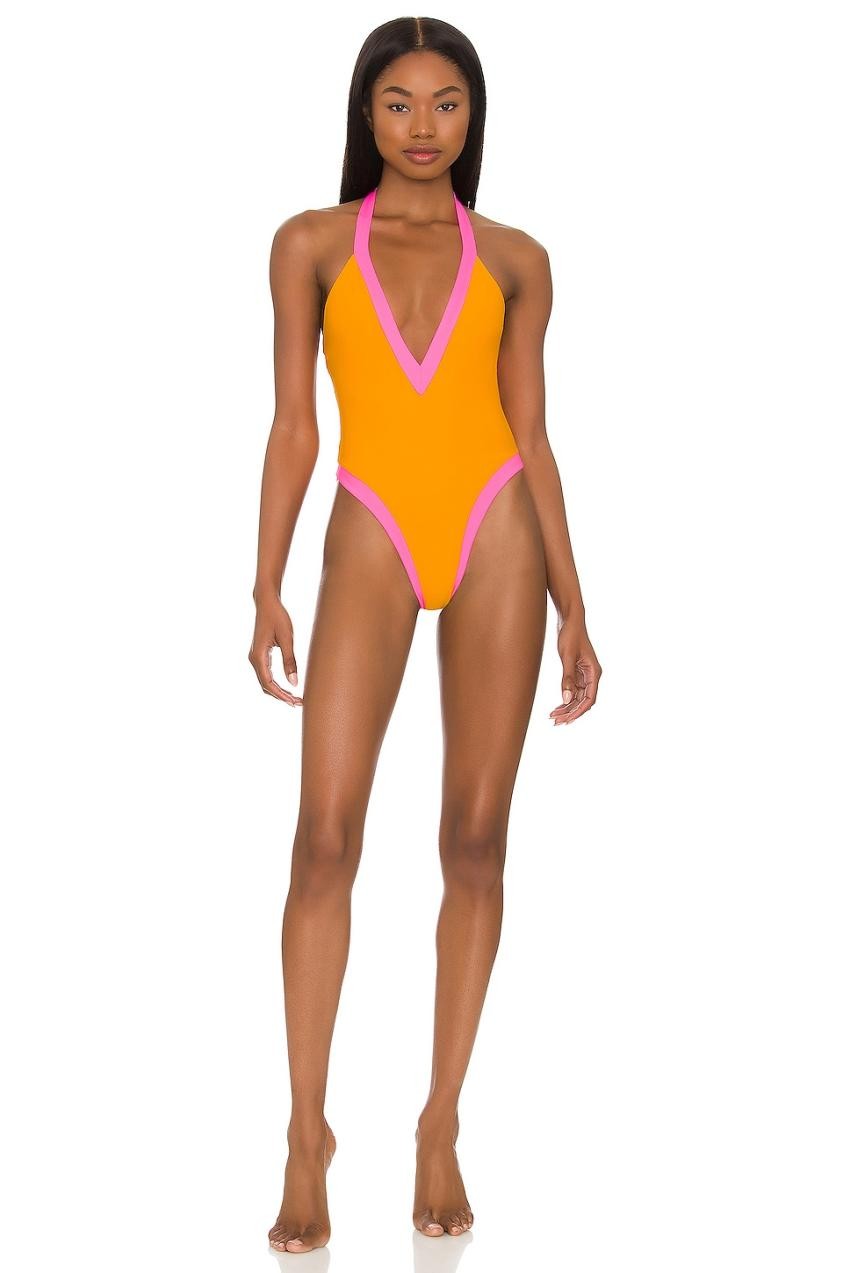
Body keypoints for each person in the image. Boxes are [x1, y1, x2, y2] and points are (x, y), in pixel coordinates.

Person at [249, 16, 602, 1255]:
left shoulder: (517, 258)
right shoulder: (308, 244)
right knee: (323, 839)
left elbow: (532, 433)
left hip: (499, 526)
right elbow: (295, 425)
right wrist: (265, 583)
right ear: (366, 113)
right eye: (397, 103)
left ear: (473, 116)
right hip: (370, 527)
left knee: (475, 841)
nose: (421, 126)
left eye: (446, 103)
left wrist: (575, 602)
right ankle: (306, 1135)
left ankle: (440, 1121)